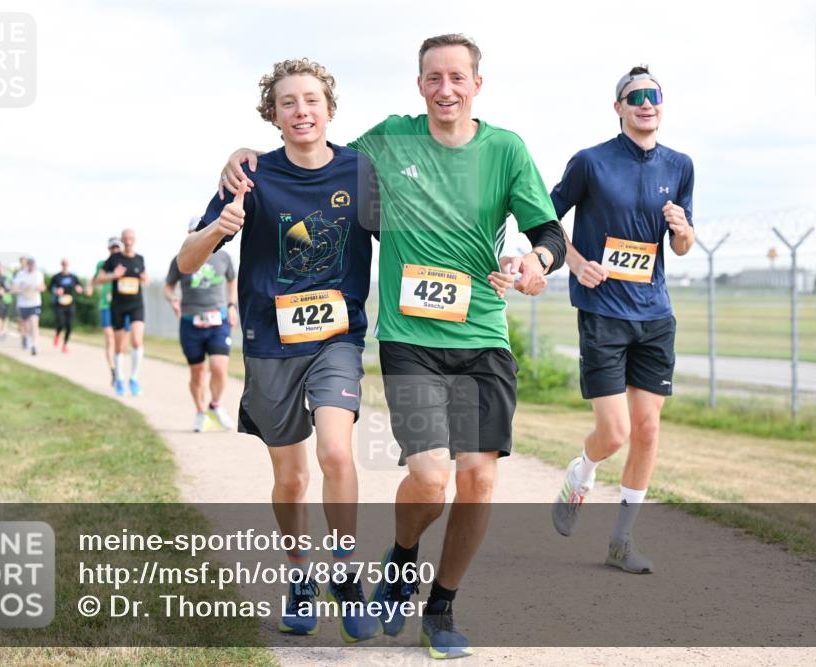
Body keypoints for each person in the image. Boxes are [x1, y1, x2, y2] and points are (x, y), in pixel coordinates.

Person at [218, 35, 565, 659]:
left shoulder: (506, 149)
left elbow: (547, 232)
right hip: (409, 338)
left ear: (477, 84)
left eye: (458, 77)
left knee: (479, 480)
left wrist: (535, 263)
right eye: (434, 77)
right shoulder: (387, 141)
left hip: (483, 330)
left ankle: (442, 607)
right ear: (420, 84)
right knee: (431, 479)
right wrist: (246, 155)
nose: (446, 89)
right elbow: (312, 152)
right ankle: (402, 560)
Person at [181, 58, 381, 642]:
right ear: (273, 114)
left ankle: (345, 574)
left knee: (338, 455)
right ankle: (299, 576)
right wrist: (222, 227)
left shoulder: (360, 172)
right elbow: (187, 261)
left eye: (312, 100)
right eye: (289, 102)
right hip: (270, 343)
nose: (302, 111)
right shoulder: (250, 176)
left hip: (337, 339)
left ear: (330, 108)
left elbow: (404, 235)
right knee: (291, 479)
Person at [549, 65, 695, 574]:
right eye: (635, 97)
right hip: (603, 311)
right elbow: (544, 220)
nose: (646, 103)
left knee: (648, 431)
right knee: (614, 434)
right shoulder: (591, 162)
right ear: (619, 108)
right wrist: (576, 262)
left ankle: (622, 541)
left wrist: (681, 231)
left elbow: (681, 245)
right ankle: (582, 472)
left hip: (655, 314)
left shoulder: (680, 165)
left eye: (654, 95)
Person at [165, 217, 238, 432]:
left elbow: (232, 280)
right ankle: (200, 412)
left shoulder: (223, 257)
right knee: (197, 372)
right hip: (190, 321)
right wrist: (173, 299)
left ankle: (215, 405)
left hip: (218, 320)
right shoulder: (180, 259)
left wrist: (232, 305)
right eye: (193, 232)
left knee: (219, 367)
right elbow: (168, 287)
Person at [95, 229, 147, 396]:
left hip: (136, 305)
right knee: (120, 347)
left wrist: (145, 279)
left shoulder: (140, 259)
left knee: (137, 341)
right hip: (118, 305)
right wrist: (113, 275)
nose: (128, 241)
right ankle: (119, 379)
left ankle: (133, 378)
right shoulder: (114, 259)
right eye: (125, 238)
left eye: (131, 238)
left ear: (135, 239)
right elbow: (99, 279)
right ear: (123, 240)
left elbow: (145, 280)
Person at [89, 237, 125, 384]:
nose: (115, 250)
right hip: (106, 306)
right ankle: (113, 370)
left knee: (120, 342)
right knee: (110, 338)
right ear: (108, 249)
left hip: (123, 305)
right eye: (112, 248)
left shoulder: (125, 264)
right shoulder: (102, 265)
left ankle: (119, 368)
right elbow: (96, 280)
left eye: (117, 248)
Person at [12, 256, 46, 356]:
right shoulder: (21, 274)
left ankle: (34, 345)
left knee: (34, 323)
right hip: (23, 304)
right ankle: (24, 337)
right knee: (25, 326)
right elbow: (14, 288)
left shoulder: (38, 274)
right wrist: (24, 288)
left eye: (33, 265)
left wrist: (37, 287)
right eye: (29, 265)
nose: (31, 267)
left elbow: (43, 287)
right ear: (27, 265)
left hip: (34, 303)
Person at [49, 258, 84, 353]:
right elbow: (50, 288)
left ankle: (65, 345)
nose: (65, 265)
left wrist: (79, 289)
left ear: (68, 265)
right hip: (59, 304)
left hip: (70, 303)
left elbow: (79, 286)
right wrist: (56, 291)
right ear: (61, 264)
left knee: (69, 325)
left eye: (66, 263)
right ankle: (57, 334)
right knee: (60, 323)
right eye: (63, 263)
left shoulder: (73, 277)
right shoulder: (56, 277)